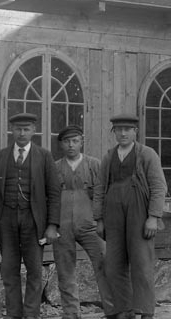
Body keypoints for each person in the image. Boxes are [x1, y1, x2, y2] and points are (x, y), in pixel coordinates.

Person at [0, 112, 61, 319]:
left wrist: (52, 225)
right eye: (18, 129)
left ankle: (31, 314)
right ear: (12, 130)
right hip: (6, 220)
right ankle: (13, 314)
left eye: (26, 129)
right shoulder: (1, 156)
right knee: (9, 269)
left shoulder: (44, 156)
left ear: (33, 131)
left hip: (33, 221)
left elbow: (54, 192)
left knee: (34, 270)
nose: (22, 133)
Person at [93, 114, 167, 319]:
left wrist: (153, 217)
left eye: (127, 129)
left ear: (135, 132)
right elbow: (99, 187)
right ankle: (124, 310)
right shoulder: (109, 157)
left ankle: (145, 311)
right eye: (119, 130)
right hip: (113, 213)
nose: (123, 133)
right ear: (114, 132)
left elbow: (158, 186)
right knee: (114, 263)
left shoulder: (147, 154)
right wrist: (99, 219)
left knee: (141, 262)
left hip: (139, 212)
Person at [53, 124, 113, 319]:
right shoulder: (54, 168)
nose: (71, 145)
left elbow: (104, 194)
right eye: (67, 141)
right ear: (61, 144)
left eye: (75, 141)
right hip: (63, 225)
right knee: (65, 269)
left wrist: (102, 221)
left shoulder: (94, 165)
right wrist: (52, 225)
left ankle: (113, 310)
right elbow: (49, 198)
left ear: (82, 142)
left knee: (105, 264)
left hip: (91, 225)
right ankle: (71, 313)